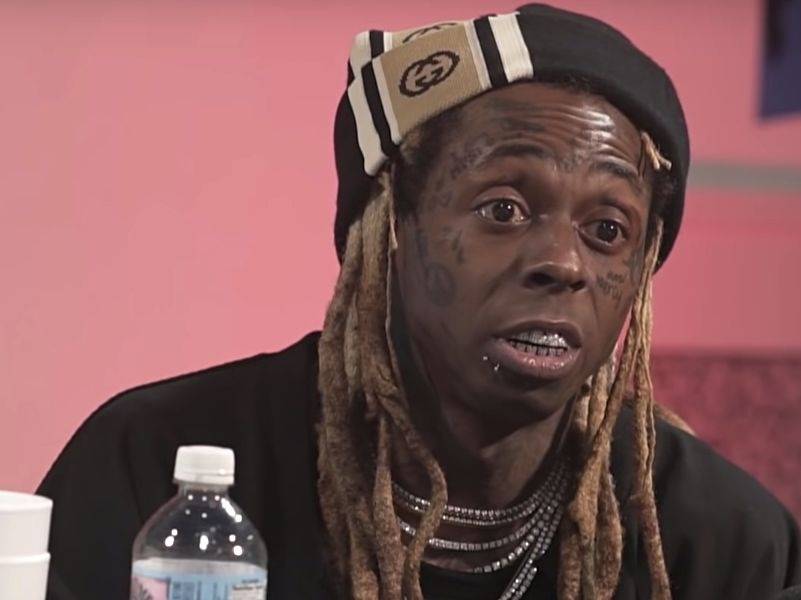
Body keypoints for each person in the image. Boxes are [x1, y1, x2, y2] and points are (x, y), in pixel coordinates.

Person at [37, 4, 801, 600]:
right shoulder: (154, 467)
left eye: (607, 230)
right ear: (389, 225)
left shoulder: (717, 539)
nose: (564, 264)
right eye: (503, 209)